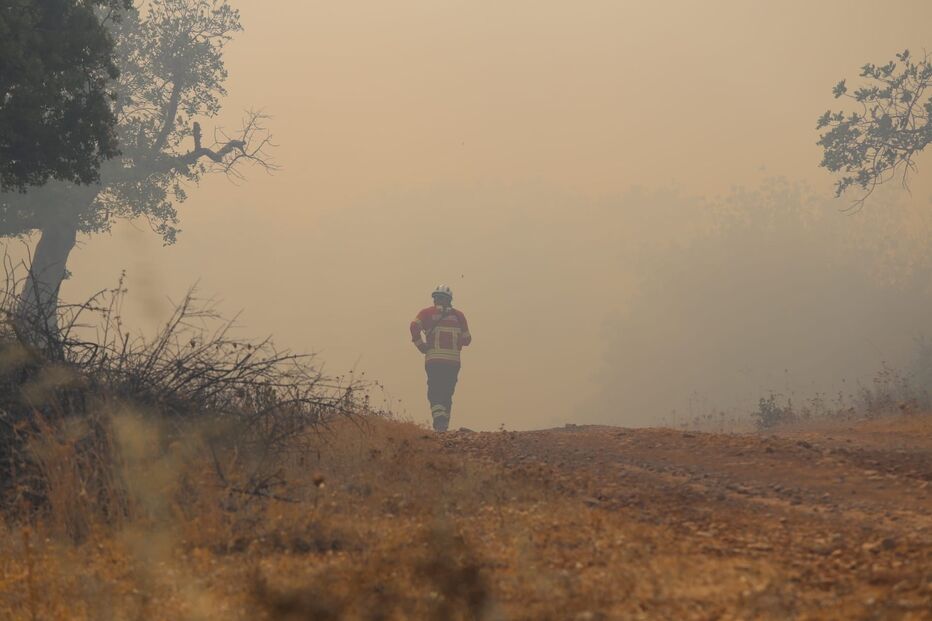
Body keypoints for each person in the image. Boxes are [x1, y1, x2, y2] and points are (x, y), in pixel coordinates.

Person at [409, 285, 471, 431]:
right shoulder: (459, 316)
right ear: (450, 300)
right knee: (447, 392)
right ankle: (443, 424)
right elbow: (467, 339)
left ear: (435, 298)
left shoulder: (426, 313)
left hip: (434, 360)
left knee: (435, 391)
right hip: (453, 362)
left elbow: (413, 326)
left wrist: (420, 345)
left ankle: (439, 421)